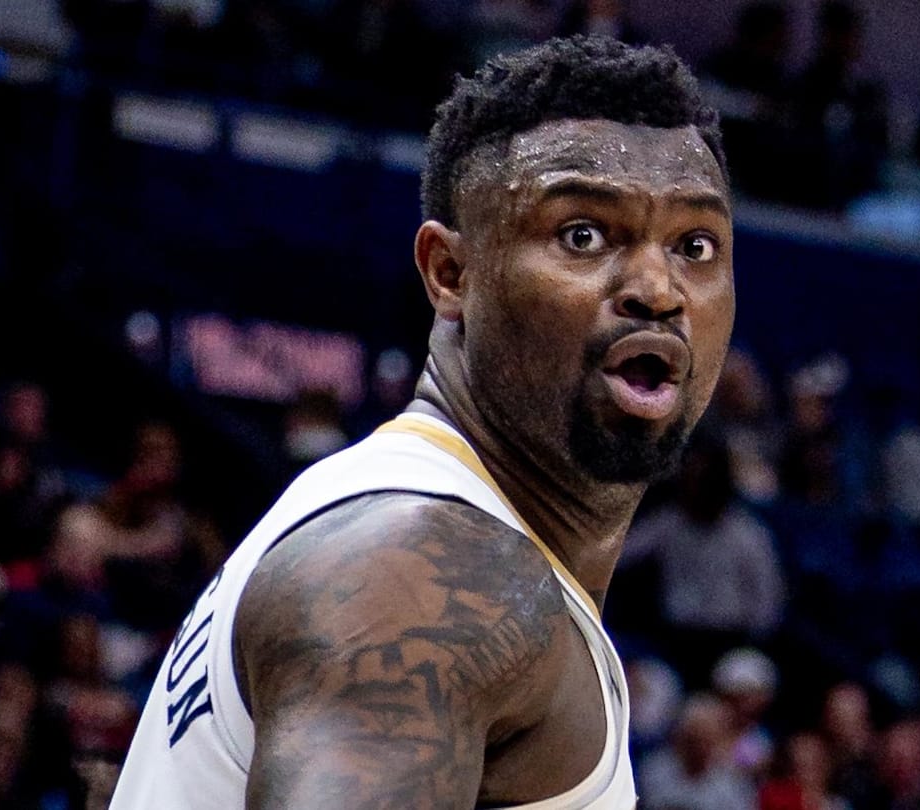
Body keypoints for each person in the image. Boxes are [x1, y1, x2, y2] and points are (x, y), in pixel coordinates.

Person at [109, 35, 735, 809]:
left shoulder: (428, 539)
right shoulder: (422, 575)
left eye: (695, 245)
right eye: (583, 234)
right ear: (450, 274)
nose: (657, 289)